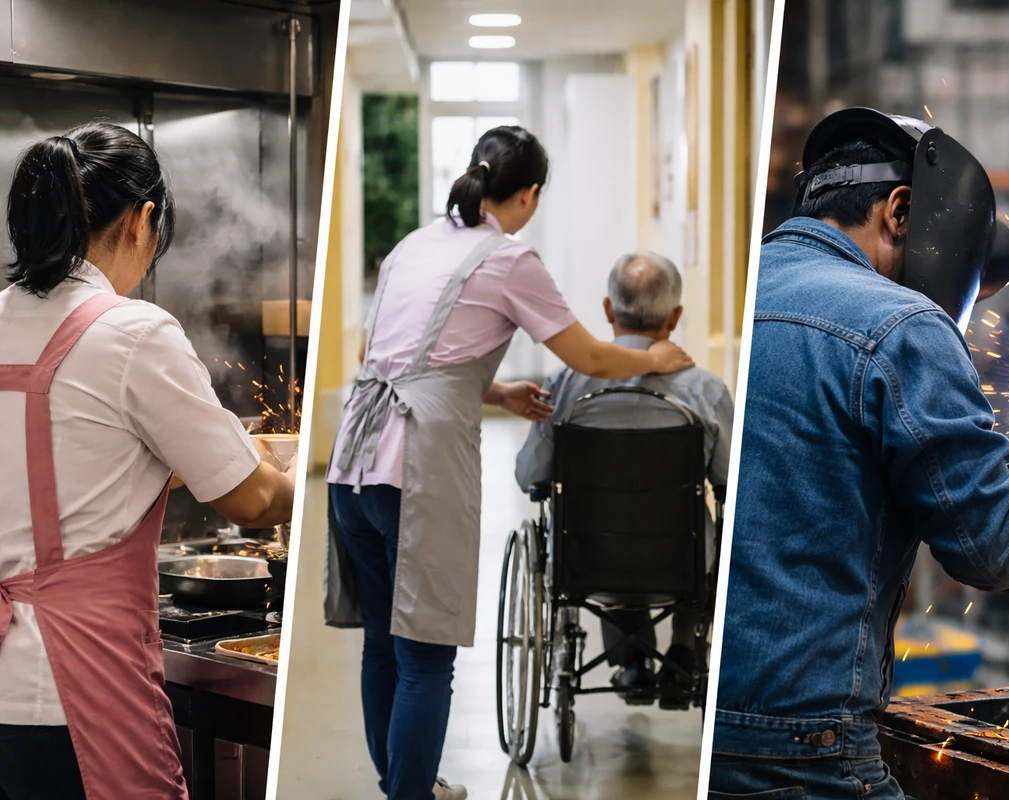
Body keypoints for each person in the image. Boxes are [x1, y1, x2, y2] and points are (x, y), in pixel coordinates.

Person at [708, 108, 1009, 800]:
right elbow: (996, 550)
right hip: (807, 750)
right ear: (900, 211)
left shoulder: (741, 286)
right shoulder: (903, 326)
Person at [324, 126, 693, 800]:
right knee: (427, 660)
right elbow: (591, 357)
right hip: (415, 465)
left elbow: (378, 358)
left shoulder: (413, 244)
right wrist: (654, 359)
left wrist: (490, 389)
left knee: (384, 646)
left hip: (353, 462)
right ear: (528, 194)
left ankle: (403, 785)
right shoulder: (509, 257)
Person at [0, 123, 295, 800]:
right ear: (142, 220)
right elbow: (249, 501)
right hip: (82, 691)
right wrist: (304, 476)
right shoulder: (133, 331)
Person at [514, 250, 732, 708]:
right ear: (676, 317)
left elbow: (528, 475)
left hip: (588, 557)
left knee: (609, 524)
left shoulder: (567, 384)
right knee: (705, 532)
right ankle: (686, 652)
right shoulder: (706, 391)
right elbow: (729, 482)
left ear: (609, 311)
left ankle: (632, 660)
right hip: (682, 560)